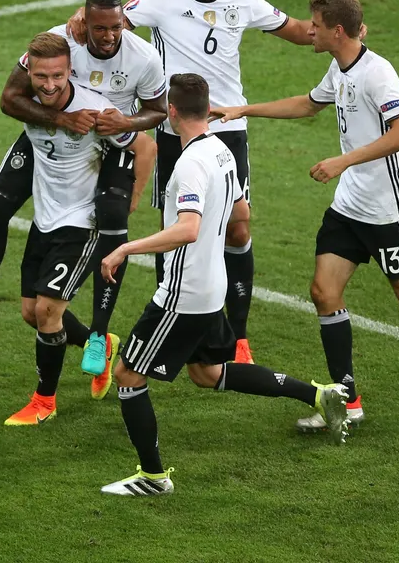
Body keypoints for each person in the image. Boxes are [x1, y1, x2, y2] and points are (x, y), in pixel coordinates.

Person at [212, 0, 399, 432]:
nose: (309, 31)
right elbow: (309, 104)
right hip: (349, 207)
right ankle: (349, 401)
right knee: (324, 292)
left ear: (338, 31)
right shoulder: (339, 67)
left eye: (316, 25)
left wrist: (343, 161)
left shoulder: (377, 74)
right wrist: (245, 109)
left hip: (388, 211)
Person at [69, 0, 323, 365]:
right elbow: (112, 24)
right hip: (176, 131)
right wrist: (78, 19)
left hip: (227, 128)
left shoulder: (241, 0)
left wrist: (339, 34)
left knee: (238, 226)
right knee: (175, 231)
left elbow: (300, 30)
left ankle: (238, 338)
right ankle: (170, 324)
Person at [98, 74, 348, 496]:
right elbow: (241, 211)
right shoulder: (221, 152)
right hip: (214, 287)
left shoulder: (191, 163)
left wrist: (125, 249)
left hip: (184, 294)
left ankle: (153, 477)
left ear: (172, 112)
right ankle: (318, 395)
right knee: (206, 373)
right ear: (206, 107)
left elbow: (188, 229)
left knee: (127, 374)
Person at [0, 0, 163, 397]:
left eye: (116, 27)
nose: (108, 36)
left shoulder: (142, 57)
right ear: (83, 24)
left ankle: (98, 335)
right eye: (99, 27)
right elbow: (10, 98)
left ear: (125, 21)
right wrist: (61, 119)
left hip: (108, 136)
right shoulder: (61, 40)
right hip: (57, 130)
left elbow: (156, 115)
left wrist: (126, 126)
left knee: (111, 217)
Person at [3, 32, 148, 425]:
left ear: (70, 71)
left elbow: (145, 147)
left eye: (57, 76)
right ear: (29, 74)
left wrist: (130, 200)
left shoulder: (95, 112)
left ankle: (44, 402)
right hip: (44, 219)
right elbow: (7, 101)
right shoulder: (27, 103)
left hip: (82, 223)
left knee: (48, 311)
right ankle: (100, 345)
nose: (49, 85)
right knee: (31, 313)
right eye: (41, 77)